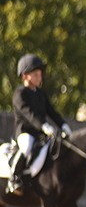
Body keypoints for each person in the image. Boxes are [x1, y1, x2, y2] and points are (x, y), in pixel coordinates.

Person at [7, 54, 71, 196]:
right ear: (25, 76)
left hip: (41, 134)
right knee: (27, 146)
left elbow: (52, 112)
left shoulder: (41, 94)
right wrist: (43, 126)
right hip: (25, 132)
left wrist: (63, 125)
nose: (39, 77)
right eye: (35, 74)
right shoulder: (19, 93)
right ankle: (14, 178)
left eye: (40, 74)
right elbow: (29, 114)